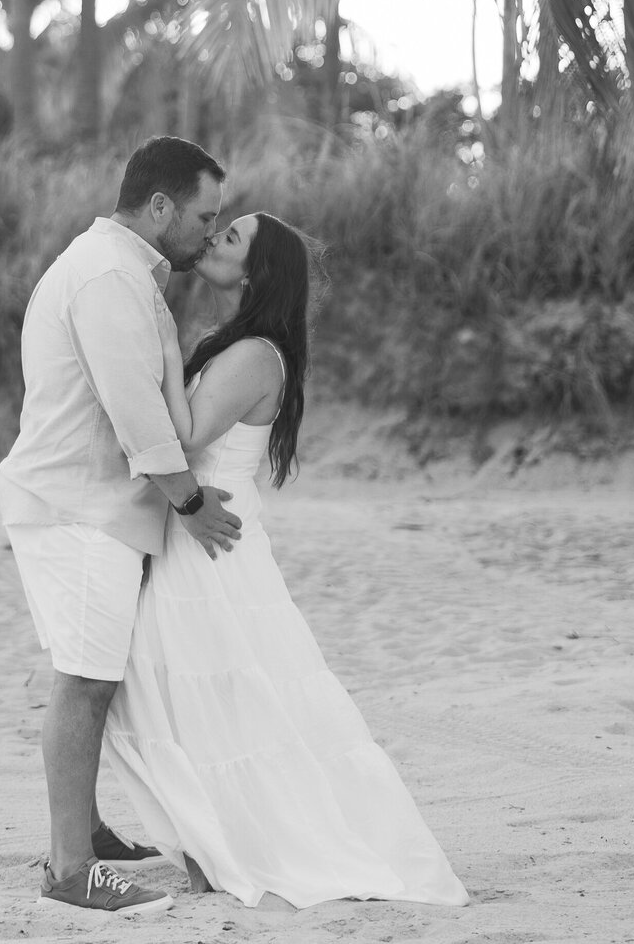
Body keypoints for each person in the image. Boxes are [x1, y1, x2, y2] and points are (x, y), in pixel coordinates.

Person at [102, 210, 470, 909]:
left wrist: (144, 349)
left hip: (208, 542)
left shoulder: (250, 355)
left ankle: (226, 847)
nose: (212, 238)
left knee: (206, 699)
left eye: (230, 237)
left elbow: (183, 433)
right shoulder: (242, 344)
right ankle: (213, 844)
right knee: (194, 699)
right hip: (204, 532)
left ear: (255, 271)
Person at [0, 136, 244, 919]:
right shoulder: (107, 276)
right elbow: (132, 407)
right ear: (160, 204)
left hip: (87, 506)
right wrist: (189, 499)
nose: (211, 230)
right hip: (78, 508)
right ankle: (70, 866)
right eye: (204, 214)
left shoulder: (121, 270)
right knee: (87, 678)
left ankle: (88, 833)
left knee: (98, 672)